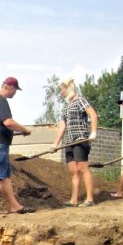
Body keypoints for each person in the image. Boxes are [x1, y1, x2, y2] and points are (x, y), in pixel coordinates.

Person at [0, 77, 35, 215]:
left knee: (4, 176)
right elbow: (8, 122)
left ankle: (15, 206)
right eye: (15, 90)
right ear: (10, 87)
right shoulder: (0, 101)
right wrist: (24, 129)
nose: (15, 93)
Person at [52, 78, 98, 207]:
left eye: (62, 89)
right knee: (73, 170)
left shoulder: (80, 100)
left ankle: (90, 199)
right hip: (69, 141)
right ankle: (74, 200)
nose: (61, 92)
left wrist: (93, 132)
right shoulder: (67, 107)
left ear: (68, 88)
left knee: (83, 168)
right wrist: (55, 144)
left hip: (80, 139)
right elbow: (63, 126)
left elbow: (93, 115)